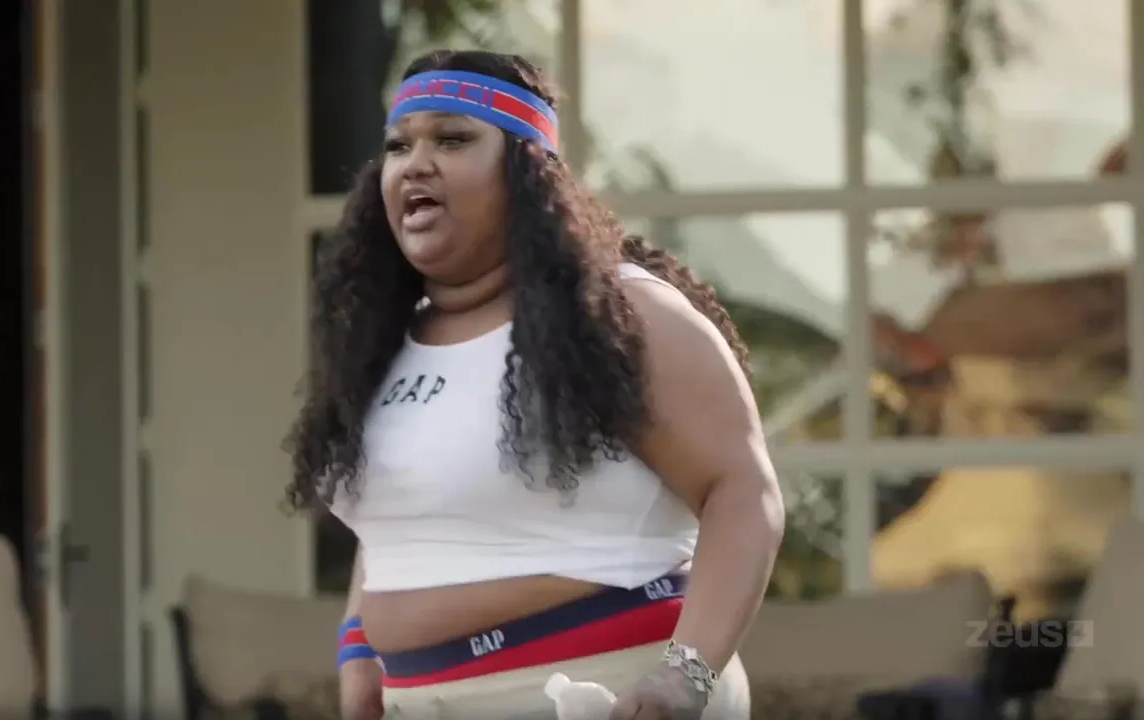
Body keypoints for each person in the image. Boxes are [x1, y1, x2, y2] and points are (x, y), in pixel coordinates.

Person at [286, 49, 785, 720]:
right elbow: (402, 516)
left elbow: (744, 493)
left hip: (611, 695)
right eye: (399, 146)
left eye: (453, 139)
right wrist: (358, 653)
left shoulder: (622, 313)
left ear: (528, 171)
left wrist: (685, 676)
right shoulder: (382, 341)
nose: (416, 164)